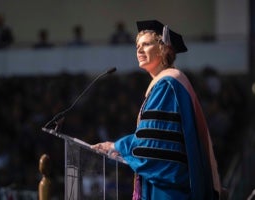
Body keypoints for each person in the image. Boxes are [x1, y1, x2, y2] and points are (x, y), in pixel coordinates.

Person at [91, 19, 223, 199]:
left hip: (168, 191)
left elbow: (153, 147)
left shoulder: (167, 85)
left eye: (146, 44)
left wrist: (117, 146)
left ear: (163, 48)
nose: (138, 49)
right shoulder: (168, 84)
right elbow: (151, 138)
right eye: (137, 45)